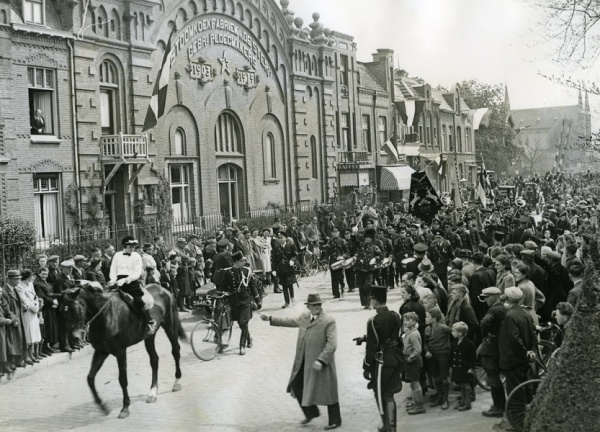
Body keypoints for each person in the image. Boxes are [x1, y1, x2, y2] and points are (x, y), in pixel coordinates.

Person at [261, 294, 342, 430]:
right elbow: (289, 321)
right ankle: (311, 412)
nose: (317, 307)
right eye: (314, 305)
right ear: (308, 306)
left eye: (319, 305)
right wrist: (270, 318)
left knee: (328, 390)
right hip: (304, 361)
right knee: (297, 384)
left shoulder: (328, 321)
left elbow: (332, 344)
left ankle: (335, 420)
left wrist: (321, 360)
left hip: (321, 363)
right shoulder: (304, 318)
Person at [354, 285, 403, 432]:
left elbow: (372, 348)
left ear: (375, 300)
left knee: (381, 394)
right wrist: (365, 338)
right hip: (396, 357)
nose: (371, 302)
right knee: (390, 393)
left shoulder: (373, 320)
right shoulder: (395, 315)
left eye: (371, 299)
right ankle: (392, 426)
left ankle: (387, 426)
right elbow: (389, 336)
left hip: (382, 362)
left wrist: (367, 367)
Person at [498, 286, 536, 429]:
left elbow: (514, 339)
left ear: (507, 299)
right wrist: (530, 351)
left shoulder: (510, 316)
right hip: (522, 360)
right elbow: (532, 334)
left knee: (515, 392)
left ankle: (518, 423)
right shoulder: (525, 313)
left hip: (512, 359)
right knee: (524, 388)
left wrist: (524, 352)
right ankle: (526, 418)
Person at [109, 236, 156, 334]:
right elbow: (113, 269)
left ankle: (150, 320)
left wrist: (126, 280)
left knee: (137, 300)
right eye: (130, 246)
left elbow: (136, 273)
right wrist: (113, 280)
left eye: (133, 246)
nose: (132, 248)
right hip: (117, 281)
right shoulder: (117, 255)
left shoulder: (136, 256)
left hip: (131, 282)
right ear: (125, 246)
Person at [221, 251, 262, 355]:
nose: (245, 262)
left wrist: (258, 300)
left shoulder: (247, 271)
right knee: (241, 323)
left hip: (245, 300)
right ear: (236, 262)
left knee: (243, 322)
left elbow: (252, 286)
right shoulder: (228, 272)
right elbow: (223, 286)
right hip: (234, 301)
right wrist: (223, 294)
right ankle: (249, 339)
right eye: (242, 261)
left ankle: (242, 346)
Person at [477, 287, 506, 418]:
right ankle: (502, 405)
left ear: (494, 297)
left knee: (493, 378)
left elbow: (484, 323)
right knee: (496, 379)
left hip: (491, 350)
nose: (485, 300)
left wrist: (486, 336)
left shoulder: (494, 310)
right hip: (500, 347)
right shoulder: (504, 307)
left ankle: (497, 407)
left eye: (487, 297)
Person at [424, 306, 452, 410]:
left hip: (443, 356)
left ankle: (445, 400)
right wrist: (426, 351)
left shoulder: (443, 328)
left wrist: (449, 349)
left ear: (434, 318)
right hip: (432, 356)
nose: (425, 319)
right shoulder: (427, 329)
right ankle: (439, 397)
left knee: (444, 378)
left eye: (427, 317)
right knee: (436, 377)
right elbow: (425, 343)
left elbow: (454, 334)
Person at [16, 269, 42, 364]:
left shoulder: (30, 284)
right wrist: (34, 307)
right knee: (28, 333)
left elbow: (35, 296)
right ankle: (26, 356)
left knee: (34, 333)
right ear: (27, 277)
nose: (33, 277)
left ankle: (32, 354)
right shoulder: (20, 287)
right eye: (31, 275)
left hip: (34, 311)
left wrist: (37, 305)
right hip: (27, 312)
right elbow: (24, 301)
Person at [2, 270, 26, 369]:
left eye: (19, 279)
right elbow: (5, 307)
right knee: (11, 342)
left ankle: (18, 360)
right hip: (11, 320)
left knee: (19, 339)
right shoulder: (4, 291)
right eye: (16, 279)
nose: (18, 281)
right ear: (10, 280)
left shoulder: (15, 290)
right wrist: (13, 318)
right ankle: (11, 361)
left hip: (18, 318)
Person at [403, 311, 425, 415]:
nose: (405, 322)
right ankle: (415, 402)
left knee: (415, 383)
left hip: (413, 361)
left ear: (414, 322)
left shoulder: (414, 334)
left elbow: (418, 350)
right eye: (404, 320)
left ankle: (419, 405)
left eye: (408, 320)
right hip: (410, 360)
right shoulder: (409, 332)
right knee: (412, 383)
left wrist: (410, 358)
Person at [451, 321, 476, 411]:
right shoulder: (454, 342)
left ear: (460, 333)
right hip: (458, 367)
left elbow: (473, 358)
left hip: (465, 368)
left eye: (453, 331)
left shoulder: (469, 344)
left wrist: (471, 368)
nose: (452, 333)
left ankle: (467, 403)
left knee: (466, 386)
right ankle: (463, 401)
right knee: (461, 385)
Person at [34, 267, 59, 356]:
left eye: (46, 274)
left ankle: (47, 346)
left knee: (50, 327)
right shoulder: (37, 283)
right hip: (44, 308)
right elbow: (42, 296)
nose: (44, 276)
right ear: (39, 273)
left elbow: (50, 294)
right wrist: (52, 301)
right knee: (46, 327)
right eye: (43, 274)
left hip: (50, 307)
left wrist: (54, 301)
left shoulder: (45, 282)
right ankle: (43, 348)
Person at [327, 226, 348, 299]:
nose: (334, 233)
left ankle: (342, 291)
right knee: (334, 278)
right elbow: (327, 252)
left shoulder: (342, 241)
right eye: (333, 232)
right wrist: (325, 261)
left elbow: (347, 252)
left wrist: (342, 257)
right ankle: (336, 293)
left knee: (341, 277)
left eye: (336, 231)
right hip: (332, 261)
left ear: (338, 232)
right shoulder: (330, 241)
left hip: (340, 261)